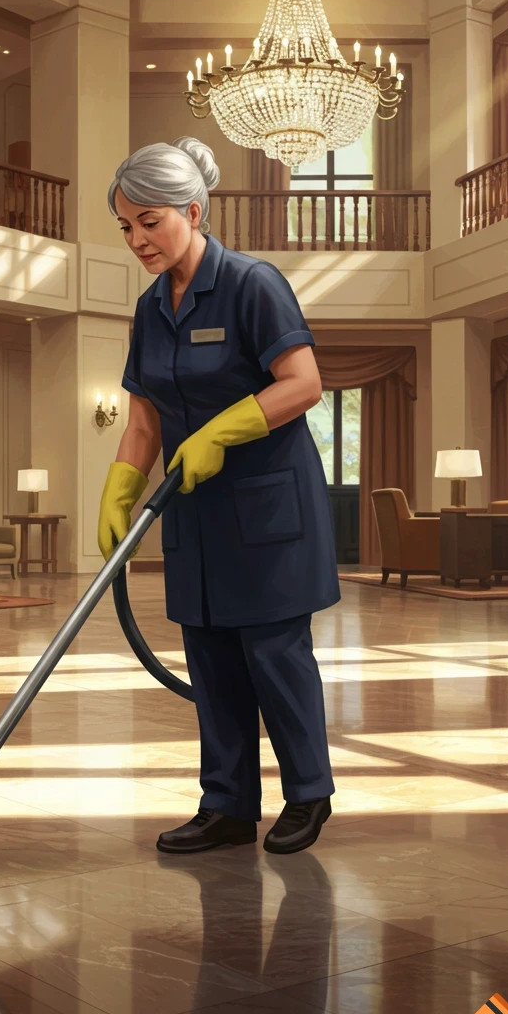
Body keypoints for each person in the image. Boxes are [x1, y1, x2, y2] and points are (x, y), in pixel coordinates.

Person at [98, 137, 339, 856]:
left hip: (266, 507)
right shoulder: (150, 309)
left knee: (274, 654)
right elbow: (143, 416)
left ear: (192, 211)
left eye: (150, 221)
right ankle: (228, 805)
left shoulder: (251, 283)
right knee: (210, 655)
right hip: (194, 508)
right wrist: (119, 489)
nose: (138, 239)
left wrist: (224, 430)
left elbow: (304, 383)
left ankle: (308, 795)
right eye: (126, 227)